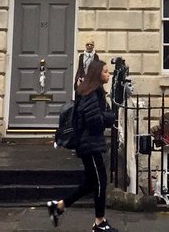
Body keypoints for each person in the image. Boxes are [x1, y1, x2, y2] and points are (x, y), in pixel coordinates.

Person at [47, 56, 117, 231]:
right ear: (97, 74)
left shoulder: (91, 92)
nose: (109, 74)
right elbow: (95, 121)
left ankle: (58, 206)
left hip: (87, 143)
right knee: (101, 180)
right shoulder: (93, 94)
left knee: (90, 182)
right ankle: (99, 222)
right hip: (90, 144)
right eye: (105, 71)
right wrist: (111, 117)